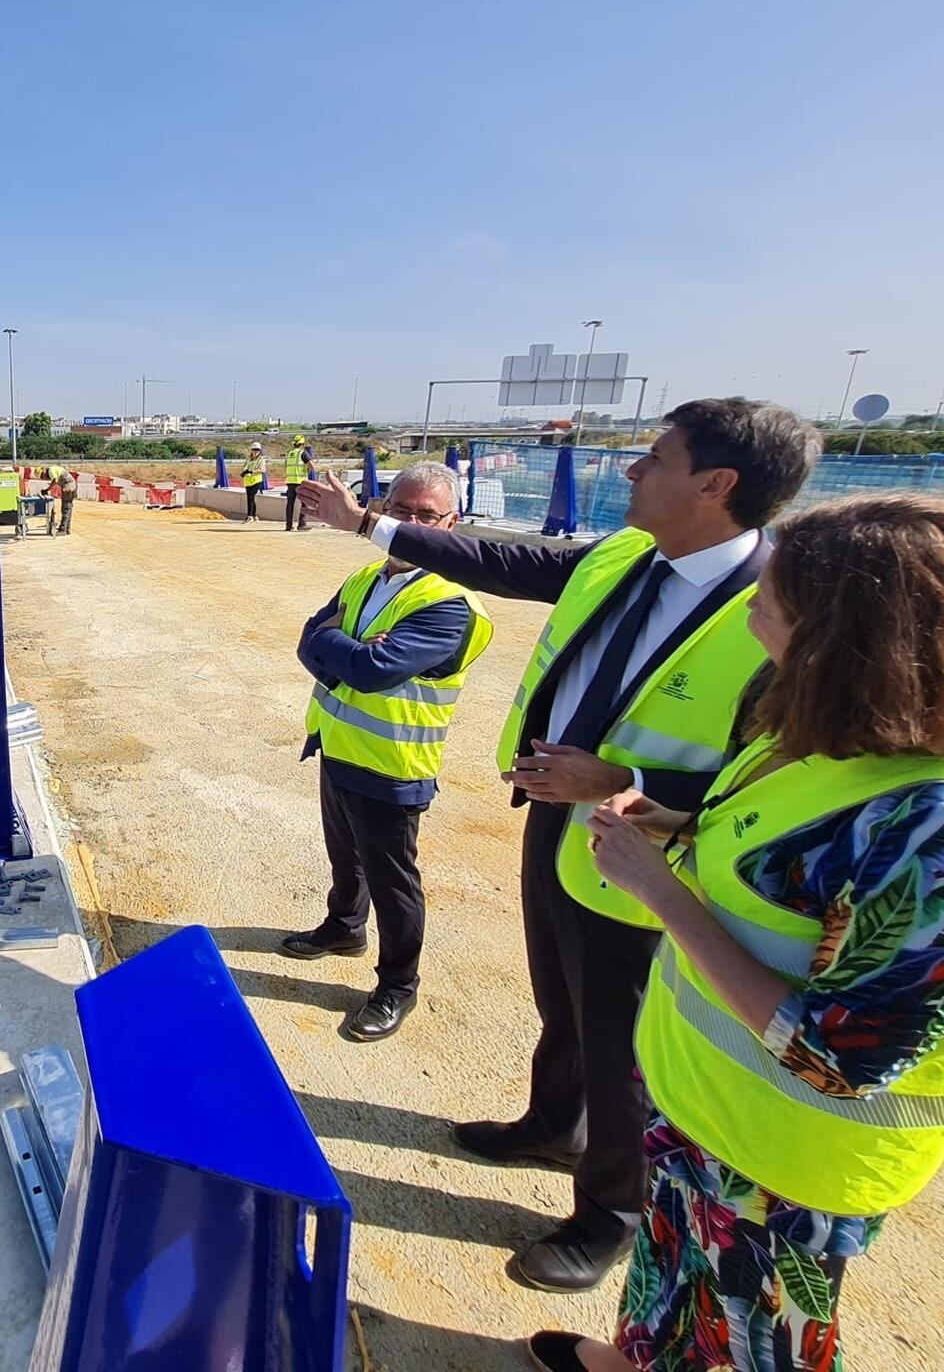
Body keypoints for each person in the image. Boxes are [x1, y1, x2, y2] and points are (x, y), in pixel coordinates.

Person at [297, 399, 820, 1292]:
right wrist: (366, 525)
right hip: (556, 818)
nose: (633, 470)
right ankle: (553, 1126)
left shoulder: (782, 612)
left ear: (716, 484)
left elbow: (783, 779)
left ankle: (609, 1215)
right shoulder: (626, 556)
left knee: (621, 1041)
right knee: (564, 1003)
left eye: (656, 458)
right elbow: (507, 563)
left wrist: (623, 779)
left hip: (652, 856)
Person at [524, 494, 944, 1372]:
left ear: (851, 636)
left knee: (750, 1341)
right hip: (705, 1108)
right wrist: (670, 824)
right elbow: (789, 866)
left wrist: (662, 893)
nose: (750, 609)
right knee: (674, 1283)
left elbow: (840, 1055)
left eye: (772, 598)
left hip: (782, 1162)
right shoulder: (845, 735)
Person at [281, 463, 495, 1039]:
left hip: (393, 765)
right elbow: (310, 640)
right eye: (401, 511)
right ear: (382, 510)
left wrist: (337, 644)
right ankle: (344, 927)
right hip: (339, 745)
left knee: (394, 882)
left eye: (428, 515)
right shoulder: (364, 579)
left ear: (451, 524)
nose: (413, 524)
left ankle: (398, 985)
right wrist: (342, 647)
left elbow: (371, 670)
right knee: (345, 857)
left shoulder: (450, 603)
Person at [284, 435, 315, 531]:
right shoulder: (303, 453)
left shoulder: (290, 454)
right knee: (304, 503)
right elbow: (312, 466)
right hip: (300, 482)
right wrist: (307, 473)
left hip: (290, 482)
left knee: (290, 504)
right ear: (302, 444)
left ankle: (288, 525)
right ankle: (301, 524)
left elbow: (285, 466)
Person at [46, 463, 78, 534]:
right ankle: (67, 529)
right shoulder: (54, 469)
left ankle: (63, 529)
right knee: (68, 508)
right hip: (71, 485)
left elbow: (55, 480)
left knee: (66, 508)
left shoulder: (51, 470)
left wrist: (47, 489)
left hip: (69, 486)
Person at [242, 442, 266, 521]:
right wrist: (244, 472)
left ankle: (250, 516)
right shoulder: (248, 459)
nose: (256, 451)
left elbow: (263, 469)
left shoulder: (261, 460)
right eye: (254, 449)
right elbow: (244, 467)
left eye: (257, 450)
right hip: (248, 481)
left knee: (251, 497)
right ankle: (254, 515)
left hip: (256, 481)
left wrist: (252, 471)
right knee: (250, 498)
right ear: (251, 450)